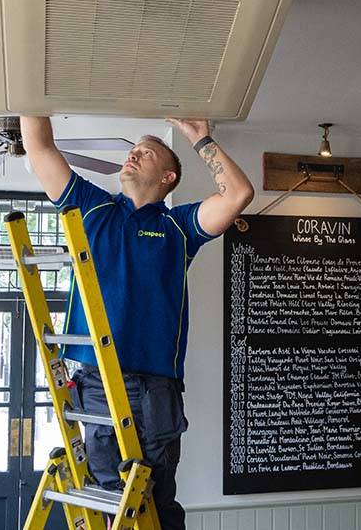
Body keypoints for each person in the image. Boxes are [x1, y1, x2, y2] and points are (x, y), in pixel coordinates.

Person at [20, 116, 254, 530]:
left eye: (146, 151)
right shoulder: (92, 206)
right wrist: (28, 88)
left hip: (155, 386)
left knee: (155, 501)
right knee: (110, 498)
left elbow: (237, 194)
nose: (133, 153)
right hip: (94, 380)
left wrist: (200, 138)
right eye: (134, 149)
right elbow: (39, 148)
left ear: (168, 176)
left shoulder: (178, 227)